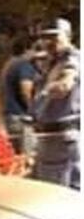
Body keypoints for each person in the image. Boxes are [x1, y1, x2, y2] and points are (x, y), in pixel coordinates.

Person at [31, 18, 80, 189]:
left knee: (54, 193)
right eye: (44, 37)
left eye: (54, 36)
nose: (48, 42)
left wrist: (51, 90)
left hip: (60, 138)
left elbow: (66, 82)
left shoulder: (71, 59)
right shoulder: (52, 62)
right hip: (51, 138)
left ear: (68, 36)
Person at [0, 37, 39, 157]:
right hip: (21, 118)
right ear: (27, 49)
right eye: (35, 49)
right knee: (29, 157)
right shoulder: (24, 64)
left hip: (10, 116)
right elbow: (26, 90)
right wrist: (35, 111)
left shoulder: (10, 63)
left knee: (20, 156)